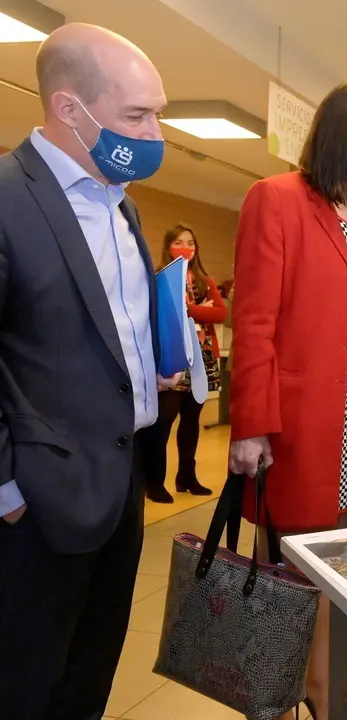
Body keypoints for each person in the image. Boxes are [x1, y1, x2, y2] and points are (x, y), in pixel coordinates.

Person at [0, 24, 171, 719]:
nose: (154, 131)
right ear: (70, 109)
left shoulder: (120, 203)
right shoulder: (8, 197)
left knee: (88, 678)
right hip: (33, 507)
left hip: (118, 492)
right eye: (137, 115)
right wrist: (7, 486)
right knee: (23, 686)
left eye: (157, 112)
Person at [229, 80, 347, 720]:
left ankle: (316, 690)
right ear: (332, 138)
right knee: (286, 579)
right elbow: (255, 323)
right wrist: (251, 425)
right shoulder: (276, 199)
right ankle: (282, 697)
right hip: (293, 424)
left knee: (330, 570)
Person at [144, 223, 227, 503]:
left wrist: (189, 309)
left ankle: (186, 477)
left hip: (201, 356)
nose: (186, 247)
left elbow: (220, 313)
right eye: (179, 241)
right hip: (173, 355)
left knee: (192, 417)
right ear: (168, 245)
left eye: (190, 242)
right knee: (166, 417)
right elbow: (159, 313)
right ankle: (153, 480)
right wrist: (196, 312)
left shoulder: (205, 279)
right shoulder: (161, 277)